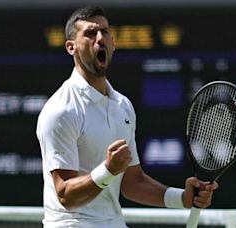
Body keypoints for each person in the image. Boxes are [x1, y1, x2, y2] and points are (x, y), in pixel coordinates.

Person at [36, 6, 218, 228]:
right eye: (90, 33)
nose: (100, 39)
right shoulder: (60, 110)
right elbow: (65, 195)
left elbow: (132, 182)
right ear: (71, 47)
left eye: (105, 32)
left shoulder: (123, 106)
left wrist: (182, 198)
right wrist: (108, 170)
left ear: (113, 44)